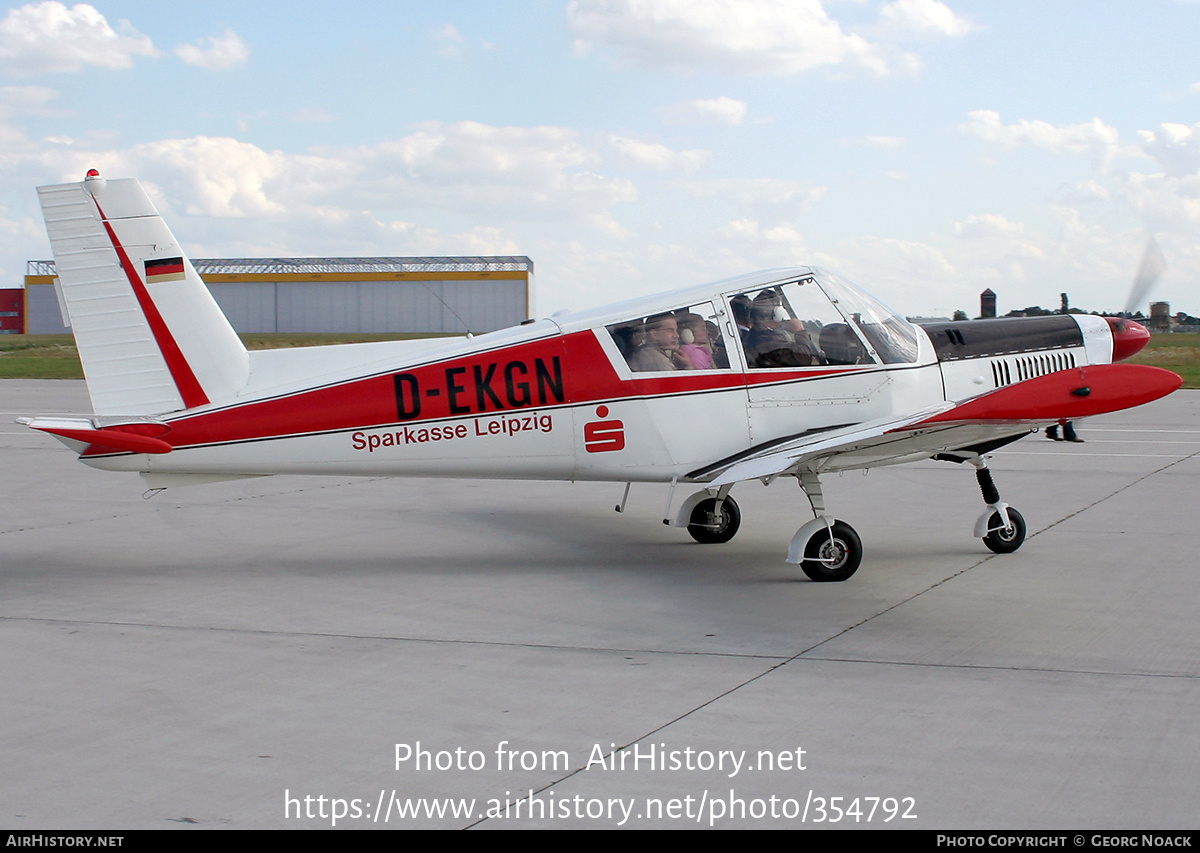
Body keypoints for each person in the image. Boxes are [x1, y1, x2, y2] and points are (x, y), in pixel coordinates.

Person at [628, 312, 693, 371]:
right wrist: (689, 366)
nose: (676, 335)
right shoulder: (656, 359)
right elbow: (677, 383)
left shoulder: (645, 351)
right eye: (670, 330)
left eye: (676, 330)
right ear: (654, 334)